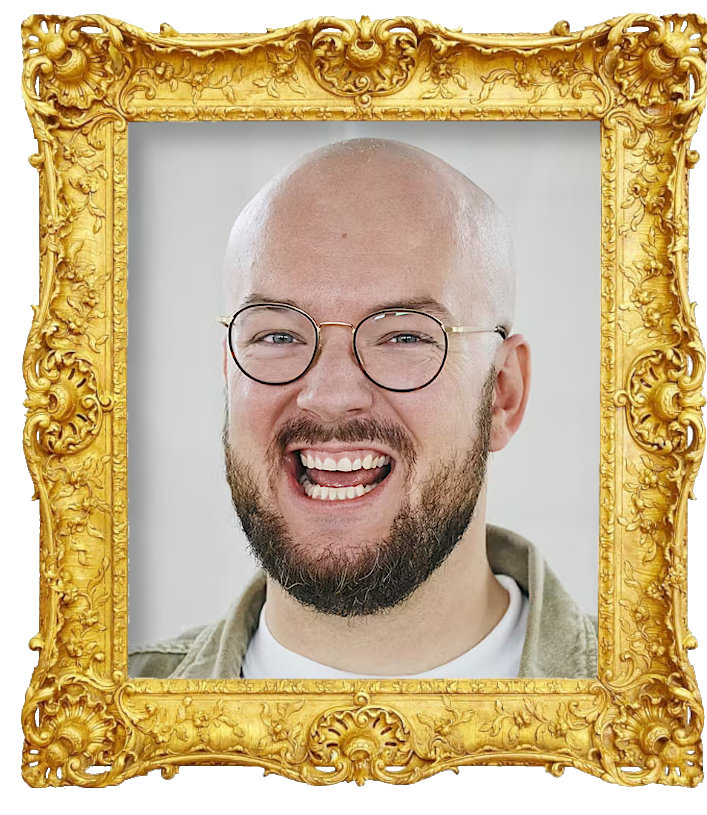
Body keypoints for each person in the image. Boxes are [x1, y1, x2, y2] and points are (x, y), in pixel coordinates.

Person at [129, 138, 597, 680]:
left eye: (402, 337)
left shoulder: (657, 712)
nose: (328, 394)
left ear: (502, 394)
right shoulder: (99, 723)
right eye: (278, 333)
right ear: (229, 373)